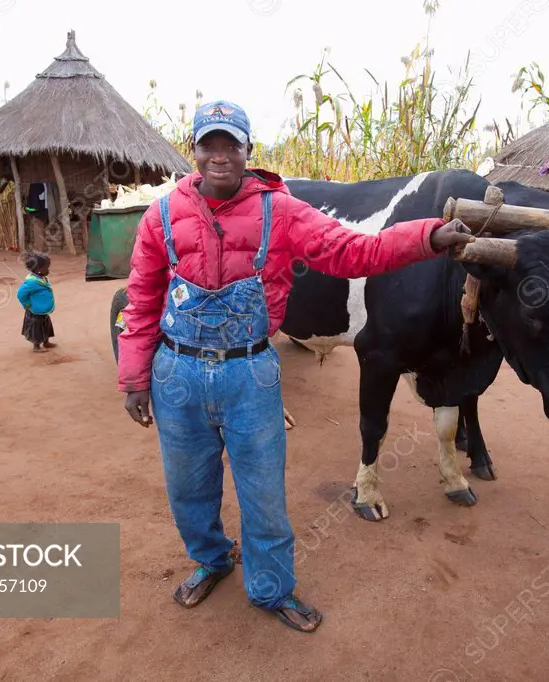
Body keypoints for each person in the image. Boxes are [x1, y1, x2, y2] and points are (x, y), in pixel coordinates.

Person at [116, 100, 474, 633]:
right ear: (194, 151)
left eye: (230, 145)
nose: (219, 156)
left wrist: (427, 237)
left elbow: (356, 252)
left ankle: (271, 588)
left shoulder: (279, 212)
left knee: (263, 493)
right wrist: (134, 378)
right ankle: (211, 560)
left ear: (247, 152)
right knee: (189, 490)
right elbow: (142, 302)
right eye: (209, 145)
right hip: (177, 376)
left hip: (250, 375)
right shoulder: (161, 216)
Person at [16, 252, 57, 352]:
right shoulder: (31, 282)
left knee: (46, 325)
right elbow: (20, 294)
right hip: (34, 310)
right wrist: (27, 304)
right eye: (47, 267)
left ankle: (46, 342)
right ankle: (36, 346)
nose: (48, 270)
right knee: (36, 327)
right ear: (38, 270)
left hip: (41, 308)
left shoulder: (40, 278)